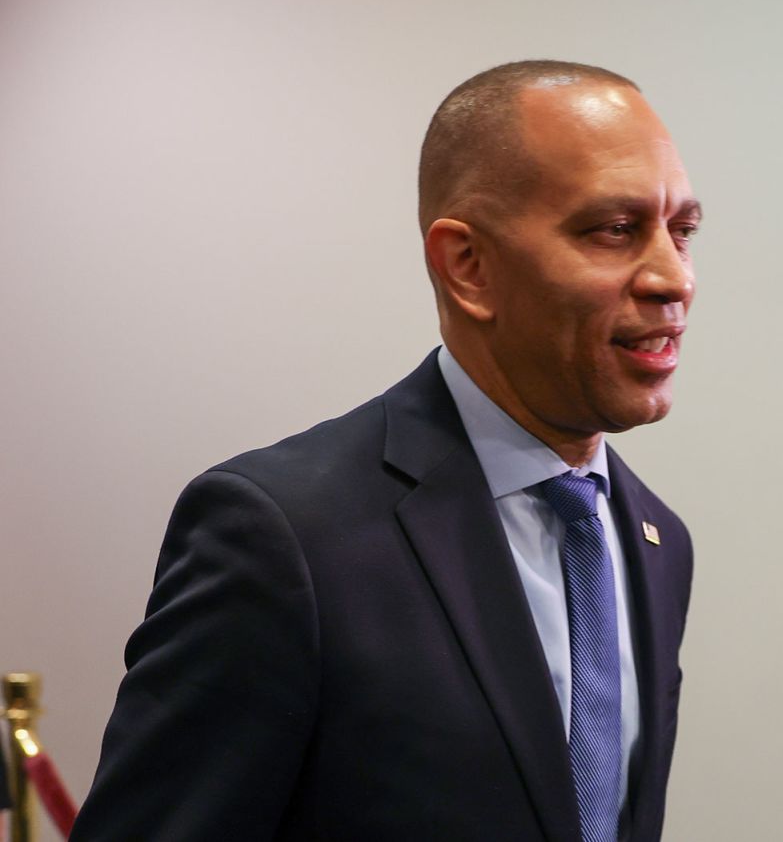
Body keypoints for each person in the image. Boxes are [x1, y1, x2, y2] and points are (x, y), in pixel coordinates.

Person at [71, 60, 699, 842]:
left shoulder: (658, 539)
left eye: (682, 230)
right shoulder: (284, 536)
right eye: (615, 229)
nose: (674, 277)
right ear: (468, 265)